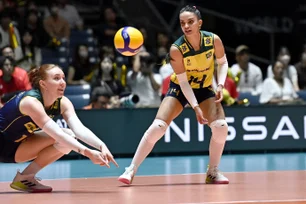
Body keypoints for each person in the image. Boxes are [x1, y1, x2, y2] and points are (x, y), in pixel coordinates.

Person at [118, 5, 229, 185]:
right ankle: (131, 169)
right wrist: (195, 107)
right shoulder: (176, 49)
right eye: (182, 23)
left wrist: (221, 84)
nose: (186, 26)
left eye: (190, 22)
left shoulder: (213, 40)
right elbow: (184, 82)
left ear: (199, 23)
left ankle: (213, 171)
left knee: (221, 127)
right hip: (180, 88)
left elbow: (222, 62)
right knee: (158, 126)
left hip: (204, 88)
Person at [0, 64, 118, 193]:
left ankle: (24, 178)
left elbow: (79, 129)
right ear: (43, 84)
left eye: (63, 78)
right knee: (63, 136)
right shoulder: (30, 102)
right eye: (56, 78)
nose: (62, 82)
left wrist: (101, 146)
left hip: (18, 147)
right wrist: (88, 153)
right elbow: (57, 134)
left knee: (69, 136)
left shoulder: (63, 102)